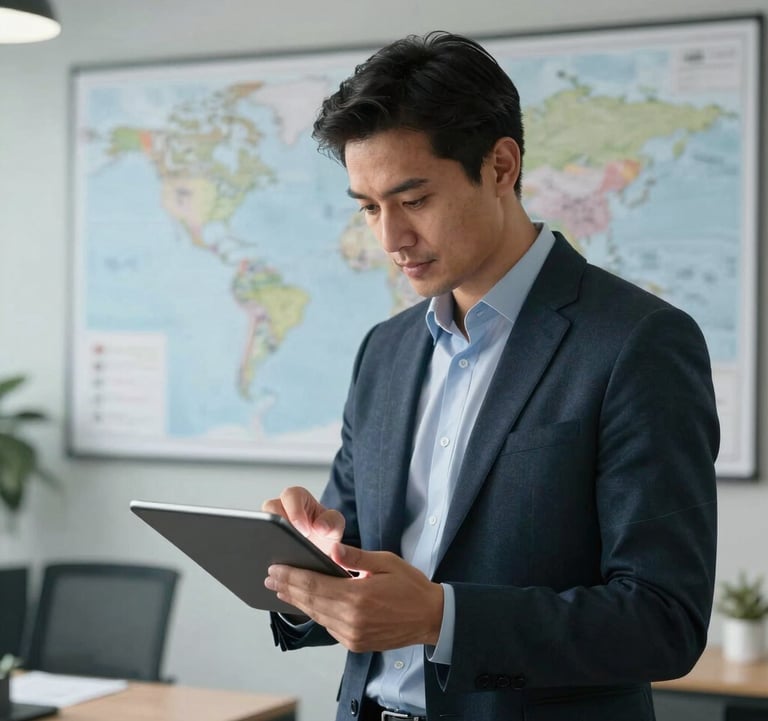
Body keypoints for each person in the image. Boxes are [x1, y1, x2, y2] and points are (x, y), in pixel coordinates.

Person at [262, 31, 719, 721]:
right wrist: (312, 560)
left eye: (412, 199)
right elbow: (358, 574)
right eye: (368, 206)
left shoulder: (639, 342)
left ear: (501, 166)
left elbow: (662, 619)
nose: (389, 238)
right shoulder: (384, 352)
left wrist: (441, 618)